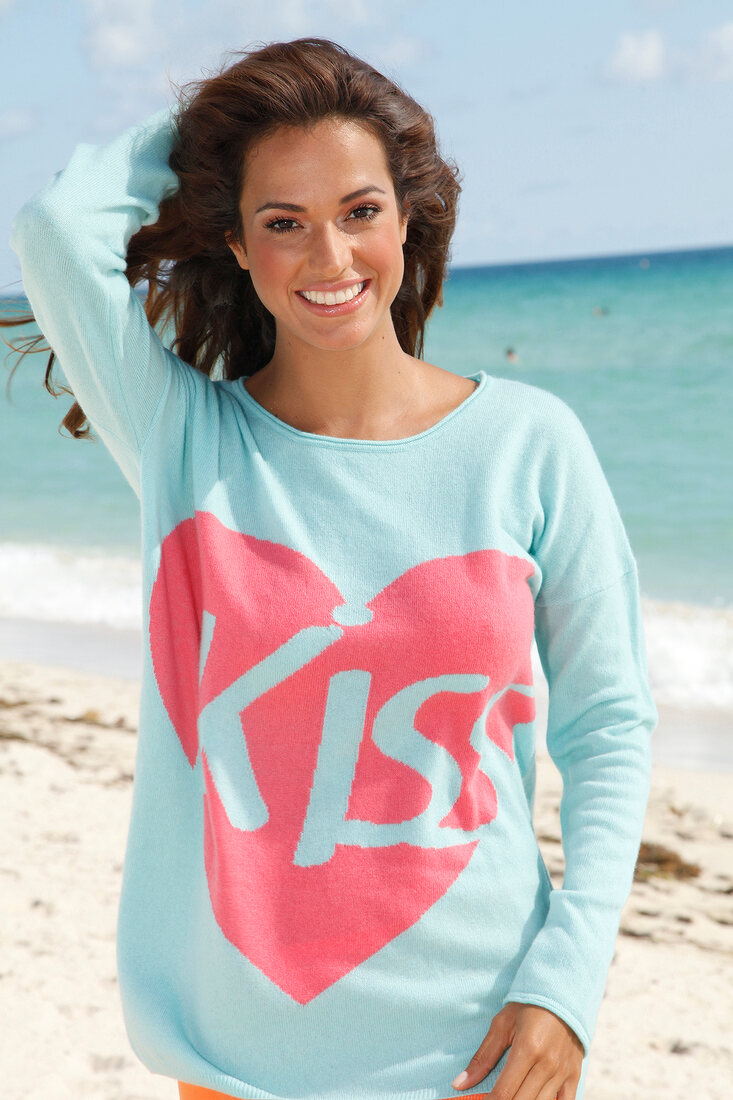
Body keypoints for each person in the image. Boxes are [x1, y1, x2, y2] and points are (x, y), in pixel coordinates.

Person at [6, 37, 656, 1100]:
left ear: (408, 217)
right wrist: (227, 127)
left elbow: (609, 723)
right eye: (283, 222)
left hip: (484, 1054)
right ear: (238, 242)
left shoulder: (531, 444)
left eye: (358, 209)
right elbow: (55, 230)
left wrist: (566, 985)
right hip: (237, 1061)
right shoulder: (186, 443)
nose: (329, 256)